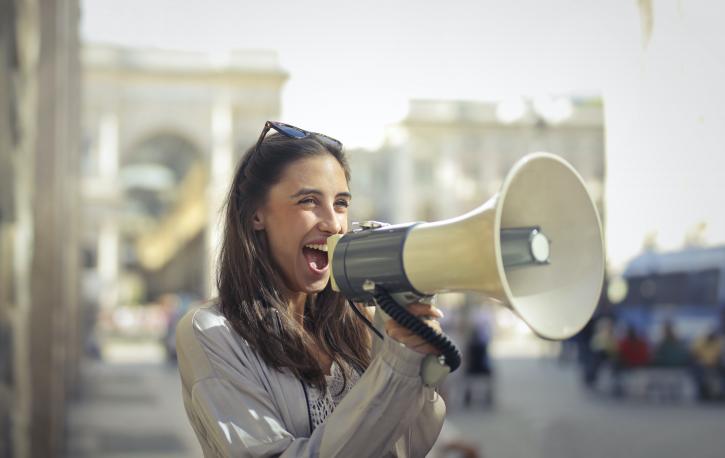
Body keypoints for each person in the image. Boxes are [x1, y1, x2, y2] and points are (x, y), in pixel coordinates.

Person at [175, 121, 446, 457]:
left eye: (341, 204)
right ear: (256, 215)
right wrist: (395, 367)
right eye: (308, 201)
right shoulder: (212, 332)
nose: (333, 224)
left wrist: (416, 364)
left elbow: (406, 447)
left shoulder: (362, 319)